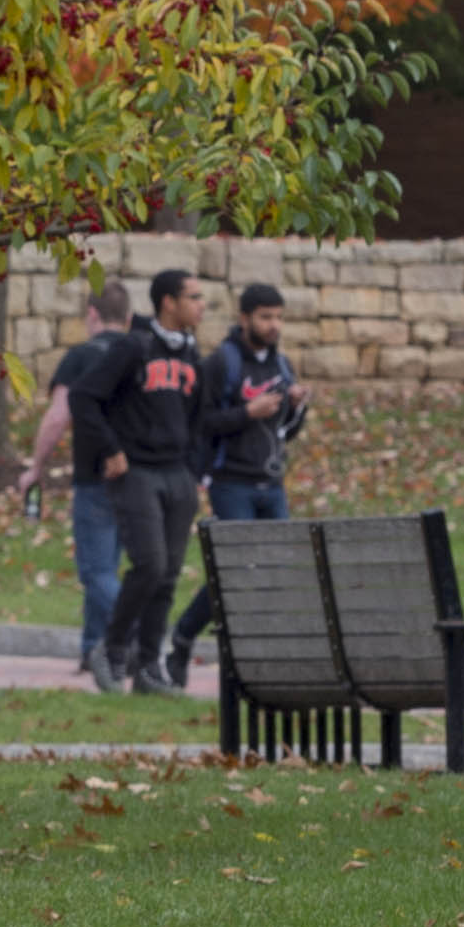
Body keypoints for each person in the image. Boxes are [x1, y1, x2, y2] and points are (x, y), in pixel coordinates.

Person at [72, 267, 215, 696]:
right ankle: (113, 649)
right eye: (194, 296)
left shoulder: (191, 353)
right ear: (168, 302)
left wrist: (194, 470)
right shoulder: (133, 347)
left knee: (168, 574)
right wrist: (111, 449)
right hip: (135, 472)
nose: (201, 304)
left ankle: (149, 667)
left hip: (177, 474)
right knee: (149, 564)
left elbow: (199, 419)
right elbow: (83, 398)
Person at [163, 283, 307, 685]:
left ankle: (263, 658)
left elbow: (284, 432)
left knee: (276, 569)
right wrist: (247, 412)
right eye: (265, 317)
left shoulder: (281, 366)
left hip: (271, 482)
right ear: (244, 319)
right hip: (231, 482)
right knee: (234, 571)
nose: (273, 325)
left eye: (278, 317)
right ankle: (184, 638)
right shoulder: (220, 364)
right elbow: (202, 424)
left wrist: (296, 408)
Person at [16, 282, 141, 690]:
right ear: (128, 319)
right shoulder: (140, 354)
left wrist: (36, 468)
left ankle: (137, 634)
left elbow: (57, 418)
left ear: (91, 314)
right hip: (137, 475)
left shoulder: (82, 357)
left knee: (96, 571)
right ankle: (93, 649)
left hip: (94, 476)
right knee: (109, 564)